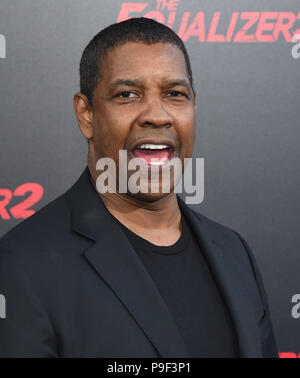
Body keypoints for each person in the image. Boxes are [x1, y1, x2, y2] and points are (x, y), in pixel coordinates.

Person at [0, 17, 278, 358]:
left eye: (175, 94)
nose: (157, 115)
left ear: (194, 107)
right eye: (127, 94)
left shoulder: (235, 253)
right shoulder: (22, 265)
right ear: (87, 115)